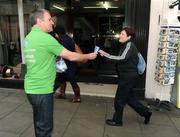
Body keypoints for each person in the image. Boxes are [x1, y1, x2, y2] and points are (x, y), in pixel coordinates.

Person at [24, 9, 97, 137]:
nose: (52, 23)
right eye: (49, 20)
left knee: (39, 123)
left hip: (31, 89)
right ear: (39, 21)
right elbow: (71, 56)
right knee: (45, 129)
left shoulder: (28, 37)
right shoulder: (45, 38)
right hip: (42, 90)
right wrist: (89, 56)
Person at [98, 27, 152, 126]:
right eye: (121, 33)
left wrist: (105, 54)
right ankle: (146, 112)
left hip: (128, 77)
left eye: (123, 34)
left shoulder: (129, 45)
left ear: (129, 36)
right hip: (128, 76)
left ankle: (117, 121)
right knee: (129, 98)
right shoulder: (126, 45)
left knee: (119, 99)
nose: (120, 35)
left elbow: (122, 58)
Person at [52, 26, 82, 103]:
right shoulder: (66, 38)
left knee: (73, 81)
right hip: (63, 64)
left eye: (55, 34)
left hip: (69, 64)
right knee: (62, 79)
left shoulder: (65, 40)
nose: (55, 36)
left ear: (57, 34)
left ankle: (77, 97)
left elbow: (61, 52)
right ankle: (62, 93)